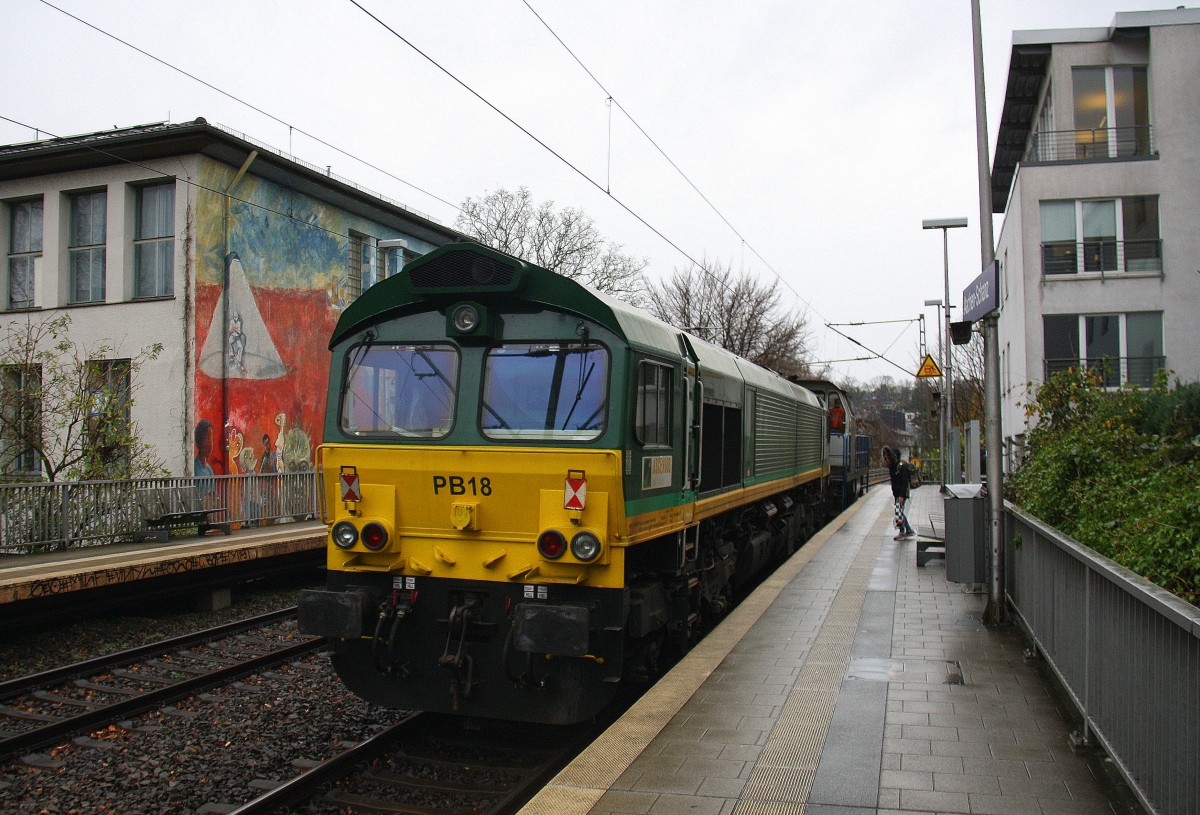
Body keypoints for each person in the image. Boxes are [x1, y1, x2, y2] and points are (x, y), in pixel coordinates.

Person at [883, 446, 916, 540]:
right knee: (899, 511)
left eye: (888, 457)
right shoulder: (892, 467)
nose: (887, 459)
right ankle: (907, 530)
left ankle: (903, 531)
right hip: (897, 493)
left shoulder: (901, 467)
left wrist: (901, 495)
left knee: (899, 511)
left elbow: (904, 482)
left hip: (902, 493)